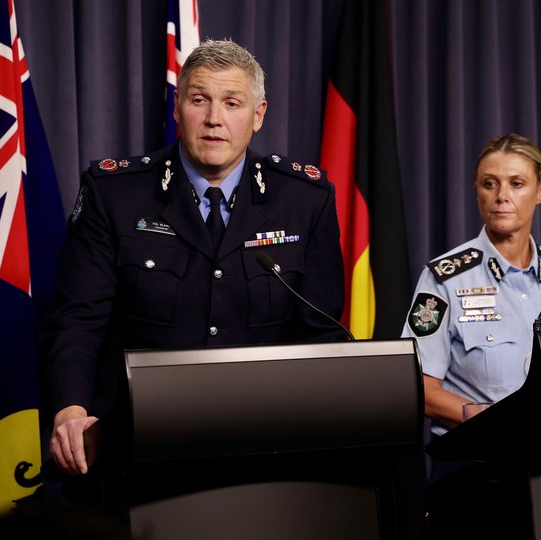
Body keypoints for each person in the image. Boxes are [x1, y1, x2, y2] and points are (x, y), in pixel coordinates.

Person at [41, 39, 344, 501]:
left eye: (232, 103)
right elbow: (79, 320)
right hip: (136, 449)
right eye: (199, 100)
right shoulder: (115, 194)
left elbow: (321, 335)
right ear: (178, 108)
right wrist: (70, 412)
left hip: (262, 453)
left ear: (258, 115)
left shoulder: (305, 201)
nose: (214, 118)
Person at [401, 133, 541, 437]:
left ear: (540, 191)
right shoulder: (446, 278)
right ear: (477, 191)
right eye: (489, 184)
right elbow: (418, 386)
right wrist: (487, 419)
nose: (501, 195)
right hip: (477, 462)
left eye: (516, 184)